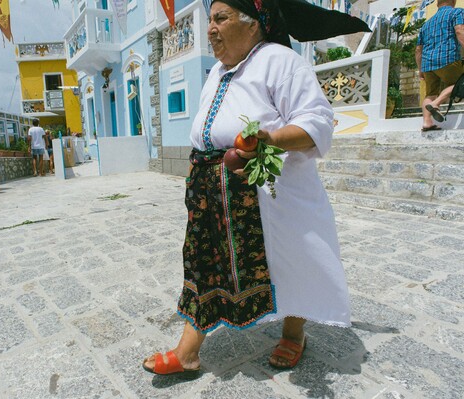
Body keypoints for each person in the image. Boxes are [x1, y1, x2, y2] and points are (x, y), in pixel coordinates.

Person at [142, 0, 352, 376]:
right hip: (212, 190)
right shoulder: (217, 73)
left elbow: (317, 122)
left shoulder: (280, 62)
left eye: (220, 18)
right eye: (210, 20)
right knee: (206, 265)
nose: (210, 29)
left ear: (253, 24)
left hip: (270, 193)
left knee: (289, 260)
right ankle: (188, 351)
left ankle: (293, 333)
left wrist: (266, 139)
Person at [416, 0, 464, 131]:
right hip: (447, 58)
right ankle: (436, 104)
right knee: (460, 82)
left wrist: (420, 69)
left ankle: (427, 122)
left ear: (437, 4)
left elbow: (418, 50)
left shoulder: (426, 24)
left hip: (427, 63)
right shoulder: (457, 12)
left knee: (430, 93)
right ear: (453, 2)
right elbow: (460, 31)